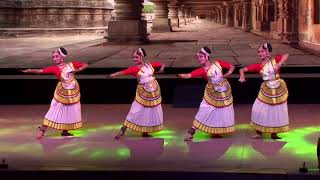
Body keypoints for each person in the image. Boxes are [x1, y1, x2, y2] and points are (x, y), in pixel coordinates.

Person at [22, 47, 88, 139]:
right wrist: (29, 70)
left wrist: (78, 70)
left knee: (69, 110)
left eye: (56, 56)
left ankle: (65, 131)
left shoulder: (71, 64)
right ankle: (42, 129)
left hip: (73, 90)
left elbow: (85, 64)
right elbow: (41, 71)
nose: (54, 58)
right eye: (53, 57)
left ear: (62, 57)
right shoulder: (54, 68)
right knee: (53, 110)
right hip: (62, 91)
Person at [177, 46, 235, 141]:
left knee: (220, 112)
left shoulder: (218, 63)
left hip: (223, 91)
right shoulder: (202, 70)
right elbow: (188, 75)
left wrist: (228, 73)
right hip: (211, 93)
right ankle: (191, 132)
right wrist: (180, 75)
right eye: (198, 57)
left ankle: (216, 132)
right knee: (203, 110)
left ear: (207, 57)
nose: (199, 59)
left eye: (201, 57)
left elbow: (231, 67)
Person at [109, 48, 165, 140]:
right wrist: (112, 75)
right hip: (142, 92)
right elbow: (122, 72)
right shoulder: (133, 69)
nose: (134, 59)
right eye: (133, 57)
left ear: (141, 57)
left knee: (148, 111)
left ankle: (145, 132)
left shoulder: (150, 65)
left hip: (153, 91)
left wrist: (162, 68)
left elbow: (162, 64)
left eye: (136, 57)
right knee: (135, 110)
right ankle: (123, 129)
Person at [239, 43, 289, 139]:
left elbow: (286, 55)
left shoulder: (275, 61)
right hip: (266, 88)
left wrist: (280, 63)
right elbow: (242, 69)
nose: (260, 53)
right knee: (258, 109)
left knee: (276, 110)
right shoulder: (258, 66)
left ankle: (274, 132)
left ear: (268, 53)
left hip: (278, 88)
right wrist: (242, 76)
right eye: (259, 52)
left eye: (262, 51)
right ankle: (259, 131)